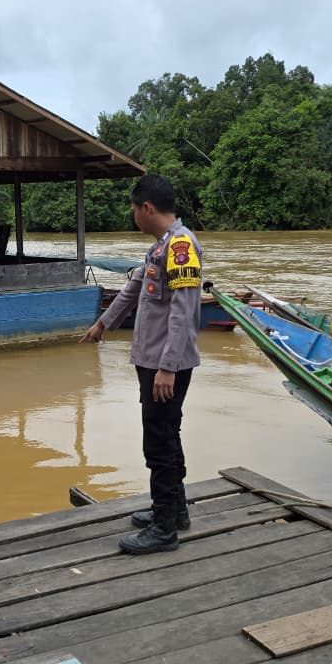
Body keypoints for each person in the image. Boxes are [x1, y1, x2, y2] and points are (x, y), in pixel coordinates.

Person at [80, 173, 202, 554]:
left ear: (146, 208)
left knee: (159, 443)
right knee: (167, 435)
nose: (133, 216)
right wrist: (103, 323)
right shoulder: (161, 247)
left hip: (165, 366)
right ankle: (173, 510)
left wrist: (167, 367)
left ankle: (164, 530)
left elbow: (182, 313)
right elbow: (134, 288)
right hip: (154, 362)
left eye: (134, 209)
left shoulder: (181, 247)